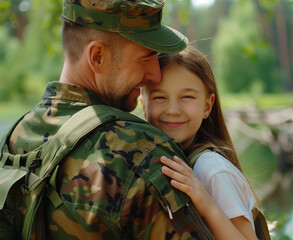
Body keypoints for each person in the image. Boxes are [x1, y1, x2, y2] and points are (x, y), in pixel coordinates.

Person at [4, 0, 214, 239]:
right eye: (146, 58)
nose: (155, 75)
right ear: (97, 57)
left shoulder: (12, 138)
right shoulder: (140, 151)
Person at [140, 45, 260, 240]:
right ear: (144, 105)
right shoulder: (162, 160)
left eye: (186, 97)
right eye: (159, 97)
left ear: (207, 105)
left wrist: (207, 205)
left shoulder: (211, 169)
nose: (173, 110)